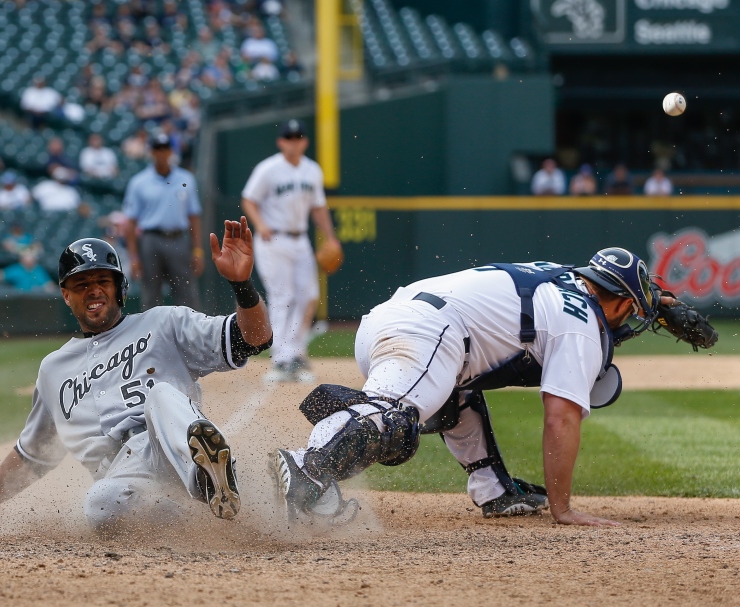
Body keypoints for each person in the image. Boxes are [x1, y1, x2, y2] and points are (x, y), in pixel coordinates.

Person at [272, 247, 694, 527]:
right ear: (620, 302)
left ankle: (494, 490)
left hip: (401, 319)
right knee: (395, 421)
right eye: (633, 309)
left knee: (457, 394)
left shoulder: (560, 276)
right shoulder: (582, 324)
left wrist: (648, 295)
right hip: (430, 332)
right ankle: (308, 467)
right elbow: (561, 418)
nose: (632, 319)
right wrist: (563, 509)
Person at [0, 223, 272, 531]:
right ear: (66, 296)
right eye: (81, 284)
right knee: (100, 504)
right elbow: (30, 458)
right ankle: (188, 515)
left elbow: (253, 339)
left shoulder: (164, 323)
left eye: (103, 280)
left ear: (120, 287)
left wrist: (242, 286)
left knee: (160, 396)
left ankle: (208, 480)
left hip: (170, 445)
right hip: (122, 473)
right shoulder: (53, 369)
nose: (93, 289)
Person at [240, 119, 340, 383]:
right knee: (282, 296)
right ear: (281, 142)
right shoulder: (269, 169)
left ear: (305, 142)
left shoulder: (312, 170)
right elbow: (249, 199)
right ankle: (282, 358)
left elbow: (318, 207)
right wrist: (260, 225)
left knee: (308, 296)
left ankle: (296, 352)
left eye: (298, 138)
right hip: (273, 239)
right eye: (288, 138)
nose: (293, 143)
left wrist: (331, 237)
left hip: (300, 240)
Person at [123, 132, 204, 310]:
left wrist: (197, 249)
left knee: (186, 294)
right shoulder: (139, 182)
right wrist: (134, 256)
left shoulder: (186, 179)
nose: (161, 153)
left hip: (178, 239)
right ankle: (152, 337)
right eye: (157, 149)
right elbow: (130, 223)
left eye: (165, 149)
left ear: (171, 151)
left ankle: (190, 337)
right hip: (151, 240)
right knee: (151, 295)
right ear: (151, 152)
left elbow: (194, 217)